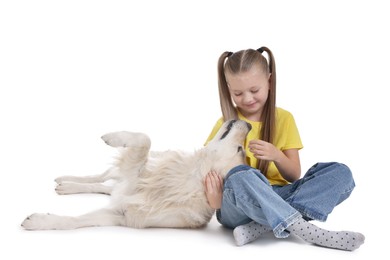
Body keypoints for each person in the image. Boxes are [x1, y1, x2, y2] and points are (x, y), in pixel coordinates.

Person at [203, 46, 365, 251]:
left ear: (269, 81)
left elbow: (293, 176)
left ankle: (261, 226)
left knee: (340, 173)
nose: (248, 98)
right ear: (228, 89)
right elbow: (210, 171)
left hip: (278, 193)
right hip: (237, 206)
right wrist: (215, 200)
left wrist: (277, 156)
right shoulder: (225, 124)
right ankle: (308, 231)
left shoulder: (284, 119)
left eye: (254, 90)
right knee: (240, 175)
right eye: (238, 93)